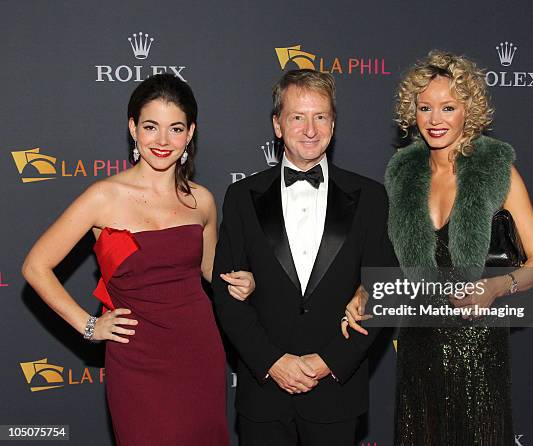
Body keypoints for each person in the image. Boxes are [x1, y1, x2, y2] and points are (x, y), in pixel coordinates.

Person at [21, 73, 255, 446]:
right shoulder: (104, 196)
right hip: (136, 357)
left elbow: (209, 268)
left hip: (198, 350)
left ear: (190, 133)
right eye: (151, 127)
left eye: (175, 128)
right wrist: (89, 325)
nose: (163, 141)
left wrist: (242, 280)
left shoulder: (202, 200)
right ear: (133, 128)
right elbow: (36, 266)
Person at [343, 51, 533, 445]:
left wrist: (495, 287)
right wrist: (366, 290)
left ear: (468, 111)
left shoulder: (497, 170)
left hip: (477, 348)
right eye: (425, 108)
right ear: (413, 113)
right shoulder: (402, 174)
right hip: (418, 346)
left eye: (448, 107)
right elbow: (395, 260)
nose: (435, 120)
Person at [211, 69, 396, 446]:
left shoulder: (371, 197)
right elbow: (226, 294)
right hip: (264, 394)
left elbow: (383, 290)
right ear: (278, 125)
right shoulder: (242, 197)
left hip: (335, 393)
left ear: (333, 123)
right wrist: (272, 362)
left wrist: (328, 361)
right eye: (298, 117)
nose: (310, 129)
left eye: (321, 117)